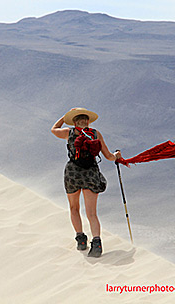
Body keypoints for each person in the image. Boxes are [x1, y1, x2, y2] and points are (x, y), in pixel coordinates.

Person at [51, 108, 121, 257]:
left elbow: (53, 129)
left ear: (75, 121)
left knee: (74, 208)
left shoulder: (68, 133)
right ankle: (96, 243)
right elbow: (108, 156)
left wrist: (64, 117)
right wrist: (117, 156)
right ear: (88, 121)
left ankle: (81, 239)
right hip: (91, 173)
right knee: (92, 213)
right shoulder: (95, 134)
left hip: (72, 174)